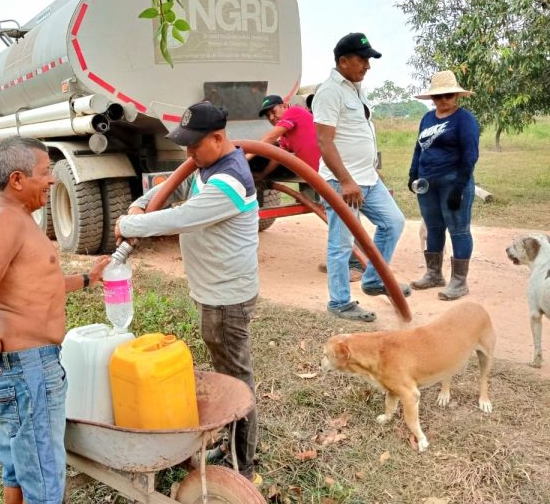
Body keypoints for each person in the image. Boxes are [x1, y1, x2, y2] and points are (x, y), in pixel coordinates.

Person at [0, 136, 109, 504]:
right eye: (45, 173)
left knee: (19, 471)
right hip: (28, 372)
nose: (52, 181)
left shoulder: (12, 218)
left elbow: (36, 283)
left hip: (20, 371)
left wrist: (88, 278)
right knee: (44, 484)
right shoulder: (6, 221)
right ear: (18, 179)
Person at [114, 101, 262, 486]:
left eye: (195, 146)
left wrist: (132, 222)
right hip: (214, 292)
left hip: (227, 298)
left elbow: (183, 216)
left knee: (236, 381)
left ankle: (242, 463)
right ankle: (230, 447)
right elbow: (173, 187)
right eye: (186, 146)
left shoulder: (229, 180)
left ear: (218, 138)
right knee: (225, 372)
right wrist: (142, 201)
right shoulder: (208, 165)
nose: (188, 154)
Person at [313, 32, 409, 323]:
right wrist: (345, 181)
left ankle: (374, 281)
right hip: (341, 182)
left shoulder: (356, 89)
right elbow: (324, 142)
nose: (367, 65)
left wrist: (372, 169)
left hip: (368, 178)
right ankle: (339, 302)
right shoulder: (329, 92)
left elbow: (359, 134)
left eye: (368, 59)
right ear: (343, 61)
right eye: (362, 59)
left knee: (393, 222)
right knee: (341, 244)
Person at [252, 93, 365, 282]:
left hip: (334, 175)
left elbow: (271, 138)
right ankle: (339, 263)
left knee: (348, 219)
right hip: (322, 178)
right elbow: (278, 155)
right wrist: (262, 176)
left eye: (273, 111)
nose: (272, 118)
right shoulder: (288, 135)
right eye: (268, 116)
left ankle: (357, 266)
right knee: (337, 221)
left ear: (284, 106)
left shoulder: (294, 112)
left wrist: (245, 154)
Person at [408, 70, 479, 300]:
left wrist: (459, 187)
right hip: (427, 184)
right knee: (433, 228)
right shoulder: (427, 119)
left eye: (448, 95)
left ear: (456, 96)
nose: (443, 100)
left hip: (453, 182)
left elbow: (470, 155)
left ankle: (459, 281)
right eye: (438, 96)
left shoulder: (464, 119)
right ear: (432, 99)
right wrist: (412, 174)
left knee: (459, 230)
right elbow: (420, 148)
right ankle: (434, 274)